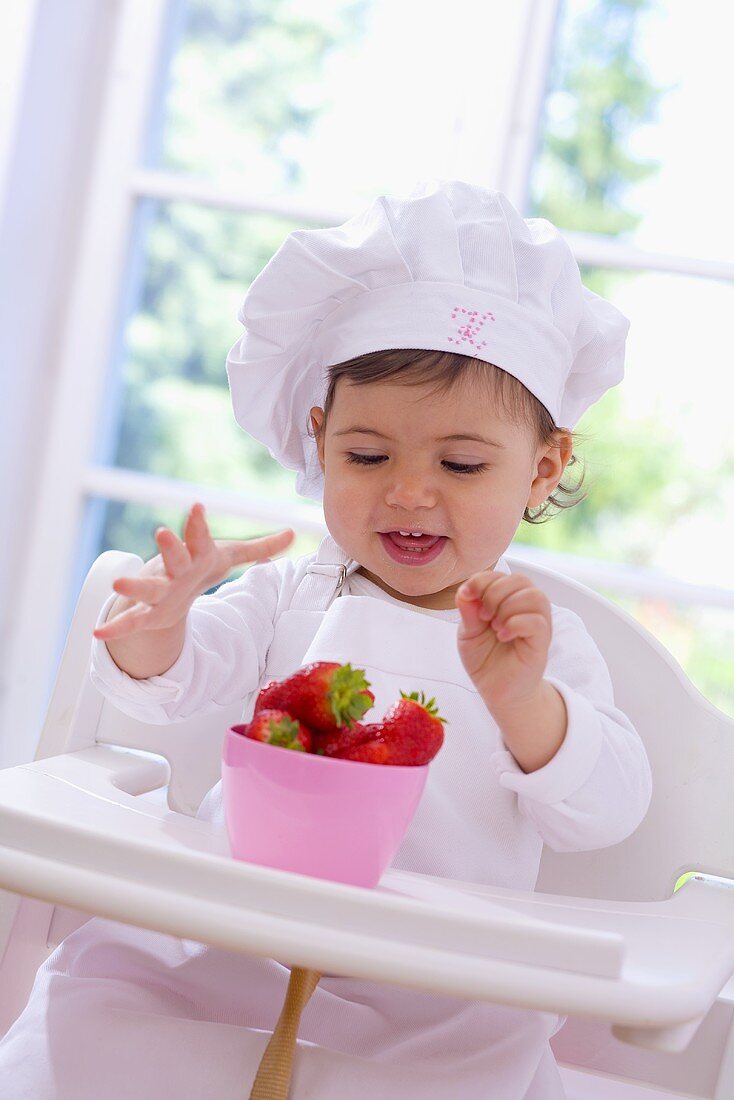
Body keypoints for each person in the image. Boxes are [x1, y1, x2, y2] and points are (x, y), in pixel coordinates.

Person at [0, 179, 653, 1099]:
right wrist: (162, 623)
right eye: (367, 455)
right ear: (319, 441)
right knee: (103, 1013)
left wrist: (524, 703)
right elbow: (172, 681)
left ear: (543, 468)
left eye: (460, 464)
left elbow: (606, 811)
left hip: (437, 988)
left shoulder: (539, 644)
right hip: (233, 939)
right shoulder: (287, 594)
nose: (411, 492)